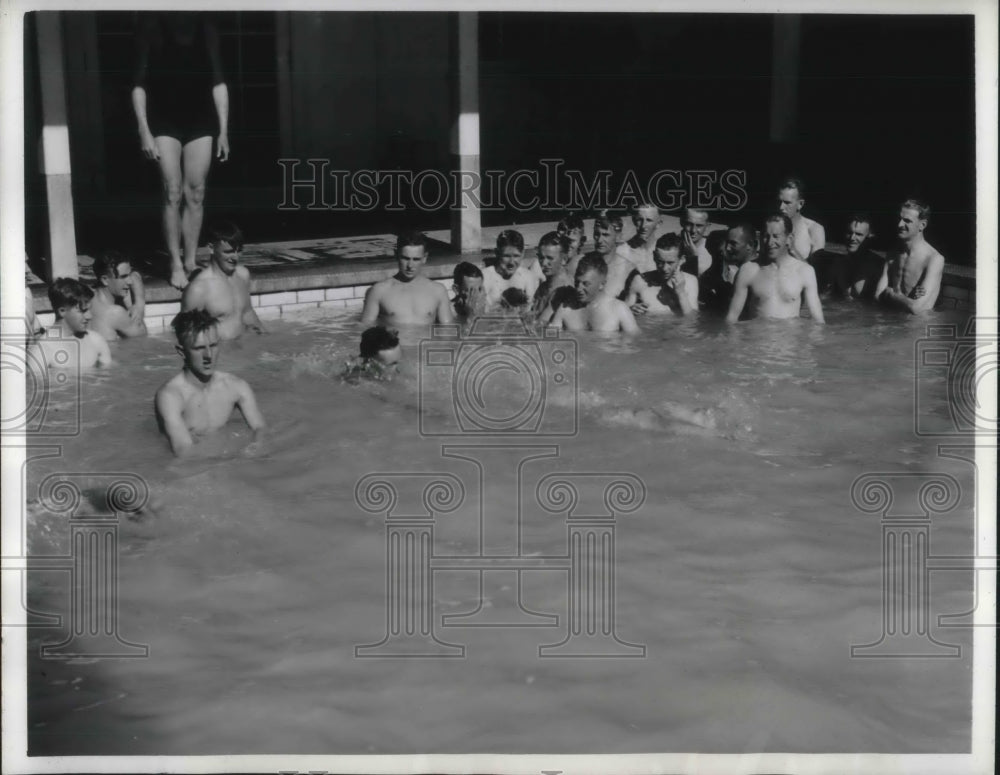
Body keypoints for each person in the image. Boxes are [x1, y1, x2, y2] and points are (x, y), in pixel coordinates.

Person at [132, 12, 230, 290]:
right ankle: (174, 263)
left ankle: (190, 261)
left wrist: (223, 129)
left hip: (200, 119)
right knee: (172, 190)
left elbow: (218, 79)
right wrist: (144, 129)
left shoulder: (206, 27)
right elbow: (138, 83)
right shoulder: (154, 25)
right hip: (164, 119)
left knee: (196, 192)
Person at [156, 310, 265, 457]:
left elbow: (260, 428)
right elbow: (184, 451)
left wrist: (254, 449)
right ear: (182, 352)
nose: (208, 355)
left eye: (213, 345)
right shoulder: (171, 396)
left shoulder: (236, 386)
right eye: (199, 348)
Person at [725, 214, 825, 323]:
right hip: (756, 338)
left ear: (789, 239)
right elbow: (731, 319)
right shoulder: (748, 270)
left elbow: (818, 321)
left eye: (776, 236)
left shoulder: (805, 271)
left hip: (790, 339)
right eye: (765, 236)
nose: (769, 242)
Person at [181, 221, 264, 340]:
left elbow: (248, 313)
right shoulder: (199, 289)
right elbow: (186, 334)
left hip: (246, 348)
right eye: (228, 252)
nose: (235, 257)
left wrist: (266, 337)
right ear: (211, 248)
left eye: (238, 251)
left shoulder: (242, 275)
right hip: (221, 353)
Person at [360, 232, 455, 326]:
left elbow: (448, 331)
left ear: (424, 258)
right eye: (405, 258)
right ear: (396, 255)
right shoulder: (379, 290)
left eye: (416, 259)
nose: (410, 265)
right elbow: (365, 329)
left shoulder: (438, 291)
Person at [875, 199, 945, 314]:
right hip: (891, 322)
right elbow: (877, 296)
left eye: (907, 221)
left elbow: (917, 309)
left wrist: (891, 294)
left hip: (915, 328)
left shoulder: (934, 259)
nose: (899, 224)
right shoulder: (893, 254)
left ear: (922, 225)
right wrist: (905, 301)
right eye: (899, 219)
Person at [31, 278, 112, 370]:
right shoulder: (41, 351)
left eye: (89, 310)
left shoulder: (96, 340)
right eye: (83, 311)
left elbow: (110, 377)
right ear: (62, 311)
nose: (89, 316)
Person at [550, 254, 639, 333]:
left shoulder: (619, 309)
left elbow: (633, 345)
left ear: (602, 284)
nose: (578, 289)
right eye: (577, 282)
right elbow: (550, 340)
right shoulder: (566, 308)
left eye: (586, 284)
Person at [624, 233, 698, 316]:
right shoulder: (639, 281)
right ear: (654, 256)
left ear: (682, 260)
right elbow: (621, 315)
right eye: (660, 262)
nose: (664, 268)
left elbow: (693, 322)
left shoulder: (691, 281)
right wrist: (630, 311)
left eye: (670, 263)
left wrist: (681, 293)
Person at [605, 203, 663, 299]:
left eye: (649, 220)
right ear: (634, 220)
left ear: (658, 223)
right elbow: (612, 293)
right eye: (640, 220)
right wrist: (628, 307)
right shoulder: (621, 252)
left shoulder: (666, 252)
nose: (644, 225)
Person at [700, 222, 759, 312]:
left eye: (733, 243)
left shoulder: (754, 271)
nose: (727, 248)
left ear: (750, 245)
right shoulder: (743, 269)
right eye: (727, 243)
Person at [89, 251, 148, 340]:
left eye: (129, 275)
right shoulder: (115, 312)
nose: (130, 281)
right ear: (105, 280)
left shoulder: (87, 296)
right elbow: (142, 335)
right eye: (123, 277)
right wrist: (138, 306)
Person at [481, 230, 539, 310]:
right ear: (497, 253)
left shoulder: (527, 276)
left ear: (523, 254)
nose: (511, 262)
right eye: (507, 256)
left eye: (516, 256)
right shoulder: (486, 276)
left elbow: (530, 310)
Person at [831, 214, 885, 300]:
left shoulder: (878, 266)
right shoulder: (838, 263)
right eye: (849, 233)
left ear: (869, 237)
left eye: (858, 234)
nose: (852, 238)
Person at [531, 231, 576, 325]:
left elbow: (540, 325)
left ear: (564, 259)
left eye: (550, 258)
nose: (543, 263)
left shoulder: (564, 290)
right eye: (541, 258)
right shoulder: (544, 286)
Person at [777, 177, 826, 260]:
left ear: (800, 204)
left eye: (787, 203)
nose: (781, 207)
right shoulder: (773, 226)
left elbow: (815, 270)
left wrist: (793, 250)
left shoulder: (814, 229)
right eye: (779, 202)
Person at [679, 206, 713, 277]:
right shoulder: (668, 242)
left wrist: (692, 258)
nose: (693, 230)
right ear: (681, 222)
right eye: (689, 224)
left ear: (707, 226)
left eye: (699, 226)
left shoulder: (712, 252)